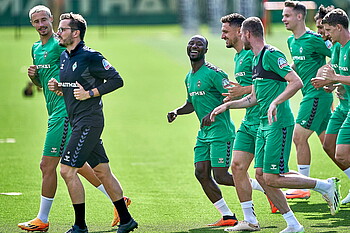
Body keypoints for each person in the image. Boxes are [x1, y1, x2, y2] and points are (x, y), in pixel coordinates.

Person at [210, 17, 340, 232]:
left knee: (271, 177)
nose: (241, 38)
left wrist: (276, 102)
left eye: (242, 34)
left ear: (248, 34)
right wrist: (228, 106)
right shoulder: (254, 59)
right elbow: (254, 98)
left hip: (278, 124)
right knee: (261, 175)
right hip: (263, 124)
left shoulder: (271, 54)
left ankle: (324, 185)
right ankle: (290, 224)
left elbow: (296, 81)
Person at [18, 5, 124, 232]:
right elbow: (43, 85)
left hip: (65, 113)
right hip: (54, 110)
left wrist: (87, 92)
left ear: (51, 19)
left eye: (44, 20)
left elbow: (82, 66)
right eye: (36, 21)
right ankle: (119, 201)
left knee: (48, 166)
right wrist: (35, 78)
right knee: (80, 164)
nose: (41, 25)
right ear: (32, 24)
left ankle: (43, 219)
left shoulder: (62, 44)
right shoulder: (36, 48)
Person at [48, 12, 137, 233]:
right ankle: (126, 220)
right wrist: (60, 88)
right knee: (102, 171)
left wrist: (91, 93)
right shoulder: (65, 57)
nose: (58, 32)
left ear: (76, 33)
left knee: (67, 171)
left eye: (63, 29)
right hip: (77, 120)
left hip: (89, 121)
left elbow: (117, 80)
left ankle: (80, 226)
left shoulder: (90, 56)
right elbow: (74, 87)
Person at [167, 35, 264, 227]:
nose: (194, 46)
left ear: (205, 50)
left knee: (221, 176)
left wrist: (213, 112)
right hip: (204, 134)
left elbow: (230, 95)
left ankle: (265, 188)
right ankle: (227, 216)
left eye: (199, 44)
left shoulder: (214, 73)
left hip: (221, 132)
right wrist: (177, 111)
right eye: (192, 43)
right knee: (201, 173)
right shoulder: (189, 77)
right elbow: (191, 103)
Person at [219, 13, 276, 216]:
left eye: (226, 31)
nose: (222, 36)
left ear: (240, 31)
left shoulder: (253, 53)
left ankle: (322, 186)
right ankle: (249, 218)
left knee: (270, 175)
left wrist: (242, 91)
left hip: (263, 121)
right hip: (249, 120)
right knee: (237, 166)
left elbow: (269, 82)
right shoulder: (238, 56)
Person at [282, 0, 333, 199]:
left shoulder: (315, 39)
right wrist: (285, 71)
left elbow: (338, 52)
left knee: (298, 136)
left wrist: (328, 73)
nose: (283, 19)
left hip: (317, 95)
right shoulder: (291, 41)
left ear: (299, 16)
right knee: (331, 145)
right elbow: (299, 62)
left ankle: (303, 187)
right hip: (311, 96)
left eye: (287, 15)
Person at [311, 6, 350, 205]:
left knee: (342, 153)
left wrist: (335, 78)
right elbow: (337, 75)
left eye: (328, 30)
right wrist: (330, 84)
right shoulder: (336, 47)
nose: (325, 34)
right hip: (343, 105)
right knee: (328, 145)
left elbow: (339, 75)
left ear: (339, 27)